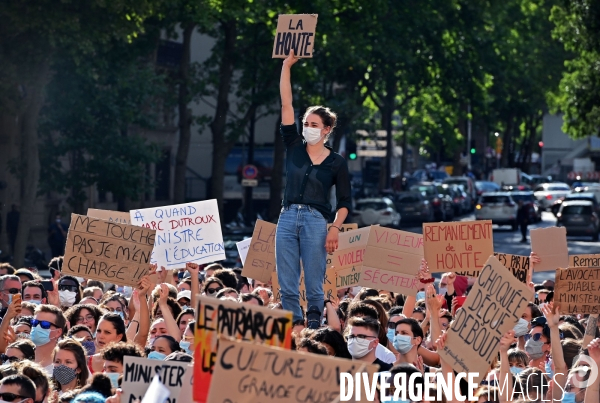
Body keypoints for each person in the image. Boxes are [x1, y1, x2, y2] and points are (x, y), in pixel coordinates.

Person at [276, 48, 351, 330]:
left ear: (327, 129)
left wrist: (335, 228)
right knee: (287, 277)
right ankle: (294, 322)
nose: (307, 127)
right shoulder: (294, 147)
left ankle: (315, 322)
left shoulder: (336, 162)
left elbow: (344, 200)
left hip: (316, 220)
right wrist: (287, 66)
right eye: (305, 123)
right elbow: (286, 104)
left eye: (313, 124)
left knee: (314, 275)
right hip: (286, 217)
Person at [31, 304, 67, 374]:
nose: (37, 327)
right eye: (35, 323)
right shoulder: (21, 356)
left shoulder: (63, 367)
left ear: (58, 332)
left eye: (45, 324)